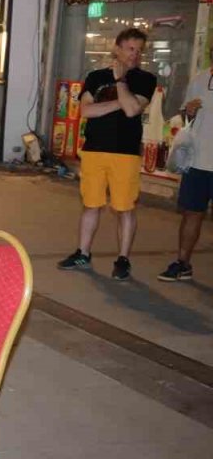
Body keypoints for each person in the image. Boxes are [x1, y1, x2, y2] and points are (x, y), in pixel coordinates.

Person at [58, 27, 157, 281]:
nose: (135, 55)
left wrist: (121, 82)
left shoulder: (145, 79)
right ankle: (83, 252)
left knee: (125, 207)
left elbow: (134, 110)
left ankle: (123, 259)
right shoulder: (95, 76)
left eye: (139, 50)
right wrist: (120, 103)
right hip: (94, 150)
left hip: (125, 153)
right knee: (91, 204)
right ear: (117, 48)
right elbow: (87, 111)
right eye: (130, 48)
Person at [160, 62, 213, 281]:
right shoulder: (199, 79)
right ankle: (183, 263)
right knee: (192, 213)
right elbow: (186, 117)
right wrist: (189, 112)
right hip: (197, 161)